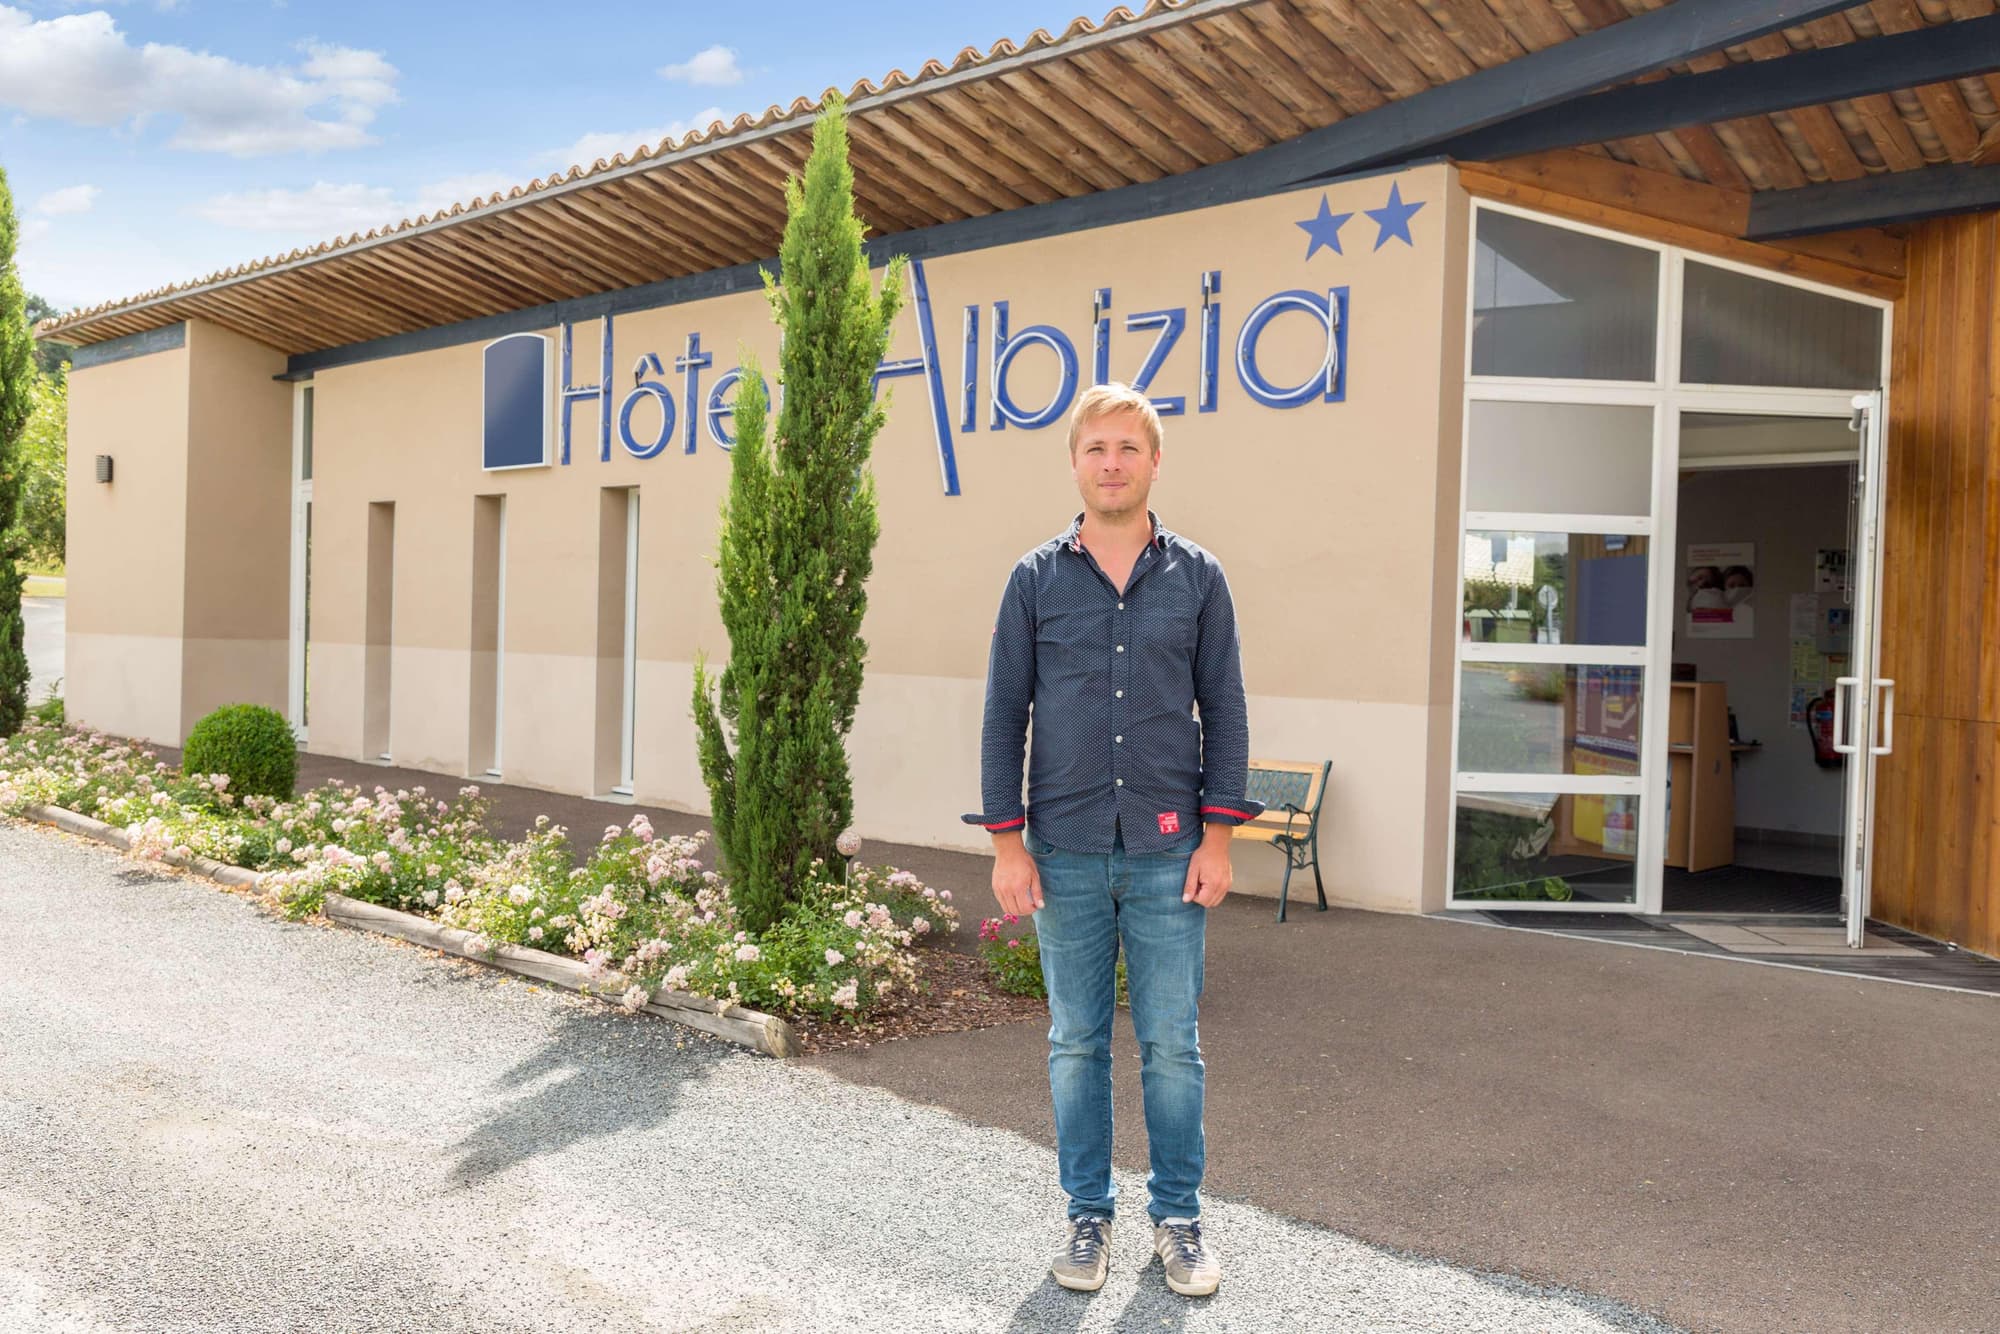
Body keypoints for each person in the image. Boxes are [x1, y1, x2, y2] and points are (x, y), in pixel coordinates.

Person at [964, 382, 1263, 1298]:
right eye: (1096, 449)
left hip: (1173, 850)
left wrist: (1218, 839)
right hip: (1065, 848)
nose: (1112, 464)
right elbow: (1002, 714)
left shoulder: (1200, 578)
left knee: (1174, 1044)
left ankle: (1177, 1220)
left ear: (1154, 461)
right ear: (1075, 462)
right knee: (1076, 1041)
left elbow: (1228, 712)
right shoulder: (1035, 580)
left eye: (1128, 449)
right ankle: (1086, 1216)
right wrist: (1007, 847)